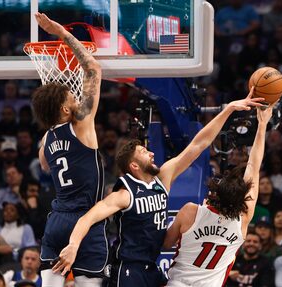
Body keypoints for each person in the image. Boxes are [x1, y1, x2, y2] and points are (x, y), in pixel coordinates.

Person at [49, 88, 265, 287]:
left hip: (151, 266)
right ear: (134, 166)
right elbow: (88, 217)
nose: (152, 153)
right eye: (144, 152)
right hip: (129, 267)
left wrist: (227, 110)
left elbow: (198, 145)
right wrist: (73, 245)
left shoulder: (163, 179)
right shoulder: (125, 194)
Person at [31, 12, 106, 287]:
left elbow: (46, 165)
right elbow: (93, 68)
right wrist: (60, 31)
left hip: (57, 220)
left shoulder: (47, 140)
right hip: (84, 220)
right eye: (71, 96)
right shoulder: (82, 124)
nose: (76, 96)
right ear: (65, 109)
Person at [163, 104, 273, 287]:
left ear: (215, 192)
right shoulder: (243, 219)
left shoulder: (190, 211)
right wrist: (262, 125)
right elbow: (253, 168)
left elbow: (166, 245)